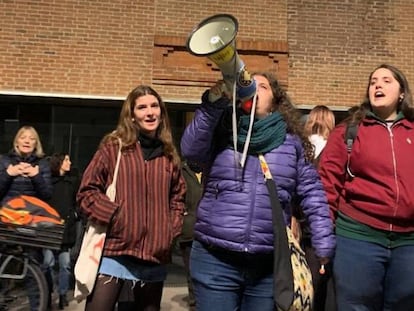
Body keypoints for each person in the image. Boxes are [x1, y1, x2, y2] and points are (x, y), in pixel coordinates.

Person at [180, 72, 336, 311]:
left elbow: (312, 192)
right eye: (249, 84)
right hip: (215, 259)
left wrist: (323, 240)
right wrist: (212, 106)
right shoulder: (222, 131)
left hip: (267, 265)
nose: (254, 88)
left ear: (275, 101)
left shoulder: (290, 142)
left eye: (262, 86)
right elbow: (190, 150)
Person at [77, 85, 186, 311]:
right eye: (142, 107)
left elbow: (177, 197)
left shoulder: (169, 155)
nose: (149, 112)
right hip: (114, 252)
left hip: (153, 257)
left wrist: (169, 229)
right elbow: (87, 192)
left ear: (161, 112)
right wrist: (117, 217)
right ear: (132, 116)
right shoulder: (113, 148)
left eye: (154, 106)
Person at [318, 63, 414, 311]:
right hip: (358, 238)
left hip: (409, 243)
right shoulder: (348, 131)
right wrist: (323, 234)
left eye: (386, 80)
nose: (378, 85)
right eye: (373, 82)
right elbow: (326, 185)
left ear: (402, 92)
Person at [0, 125, 53, 311]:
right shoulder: (4, 161)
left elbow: (47, 194)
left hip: (30, 222)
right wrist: (9, 174)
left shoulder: (42, 164)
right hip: (6, 219)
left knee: (34, 267)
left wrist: (36, 176)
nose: (27, 141)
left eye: (32, 138)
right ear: (16, 141)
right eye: (23, 137)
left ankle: (37, 306)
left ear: (36, 143)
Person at [292, 105, 336, 311]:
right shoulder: (335, 149)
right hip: (329, 222)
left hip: (303, 223)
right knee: (326, 285)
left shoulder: (300, 147)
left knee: (304, 280)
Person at [43, 153, 79, 310]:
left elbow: (77, 200)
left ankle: (63, 294)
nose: (69, 162)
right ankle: (49, 292)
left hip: (66, 229)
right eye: (66, 160)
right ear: (59, 163)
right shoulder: (48, 182)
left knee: (65, 265)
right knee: (48, 263)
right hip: (49, 230)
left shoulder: (71, 182)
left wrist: (75, 214)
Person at [177, 160, 203, 311]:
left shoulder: (213, 167)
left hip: (210, 231)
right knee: (192, 273)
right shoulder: (181, 170)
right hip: (189, 231)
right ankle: (194, 305)